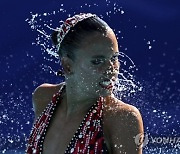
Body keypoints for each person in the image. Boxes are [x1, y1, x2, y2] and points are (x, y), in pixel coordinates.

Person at [26, 13, 144, 154]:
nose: (111, 70)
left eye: (114, 58)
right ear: (67, 66)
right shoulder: (43, 98)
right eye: (97, 61)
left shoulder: (121, 119)